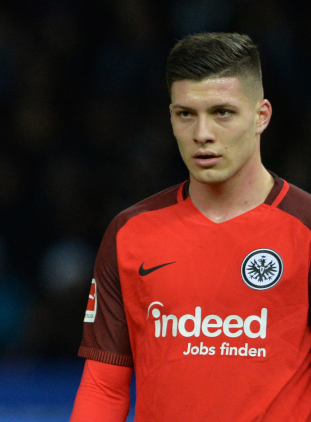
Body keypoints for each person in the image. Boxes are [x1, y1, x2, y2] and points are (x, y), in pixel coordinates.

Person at [71, 32, 311, 421]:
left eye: (222, 112)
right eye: (187, 114)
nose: (202, 133)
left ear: (261, 116)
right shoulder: (131, 232)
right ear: (171, 117)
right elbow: (104, 386)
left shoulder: (305, 229)